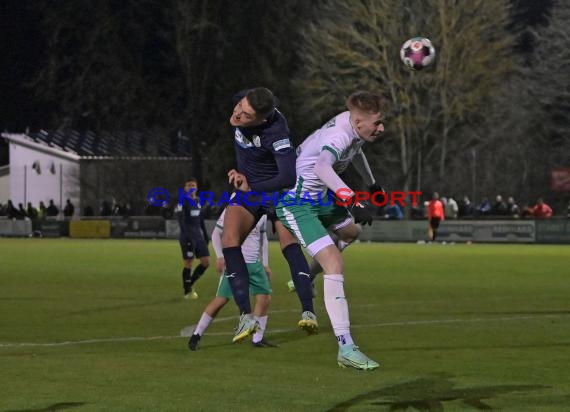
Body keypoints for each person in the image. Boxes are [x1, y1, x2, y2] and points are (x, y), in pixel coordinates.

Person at [275, 90, 385, 370]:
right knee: (334, 263)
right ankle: (346, 348)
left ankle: (308, 276)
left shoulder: (354, 128)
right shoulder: (339, 135)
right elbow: (324, 165)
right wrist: (353, 199)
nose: (381, 128)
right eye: (377, 123)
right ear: (359, 123)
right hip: (297, 202)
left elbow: (356, 153)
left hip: (320, 197)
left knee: (351, 234)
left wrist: (371, 184)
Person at [222, 87, 317, 343]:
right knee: (229, 238)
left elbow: (287, 176)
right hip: (249, 188)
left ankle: (308, 309)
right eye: (239, 106)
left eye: (246, 114)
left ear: (262, 120)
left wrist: (251, 187)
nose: (238, 114)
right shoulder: (246, 101)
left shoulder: (277, 133)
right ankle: (245, 315)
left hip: (275, 191)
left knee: (289, 244)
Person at [188, 209, 276, 350]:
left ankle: (257, 339)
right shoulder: (234, 206)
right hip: (235, 262)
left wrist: (265, 264)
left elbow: (263, 237)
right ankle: (197, 335)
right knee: (221, 300)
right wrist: (219, 256)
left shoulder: (261, 207)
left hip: (255, 264)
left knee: (264, 298)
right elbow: (216, 233)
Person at [176, 178, 210, 299]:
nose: (191, 187)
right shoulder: (182, 201)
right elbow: (181, 221)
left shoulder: (198, 201)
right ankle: (187, 291)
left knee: (206, 262)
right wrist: (188, 236)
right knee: (189, 263)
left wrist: (205, 235)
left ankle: (190, 284)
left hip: (198, 236)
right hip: (187, 237)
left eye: (193, 185)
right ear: (185, 188)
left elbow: (201, 220)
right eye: (189, 185)